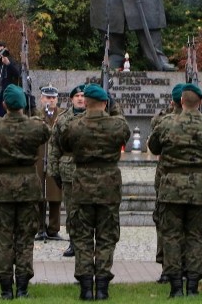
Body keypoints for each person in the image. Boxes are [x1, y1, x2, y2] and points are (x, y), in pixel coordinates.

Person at [148, 83, 202, 297]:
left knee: (171, 236)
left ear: (181, 101)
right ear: (200, 102)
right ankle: (192, 285)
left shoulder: (166, 123)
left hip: (171, 186)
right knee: (196, 236)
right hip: (199, 186)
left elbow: (153, 147)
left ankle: (175, 287)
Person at [59, 83, 131, 300]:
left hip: (82, 186)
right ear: (106, 103)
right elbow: (124, 132)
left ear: (86, 102)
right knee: (106, 236)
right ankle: (102, 286)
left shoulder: (74, 126)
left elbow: (65, 146)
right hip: (109, 186)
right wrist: (114, 109)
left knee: (81, 237)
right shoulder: (116, 125)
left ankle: (85, 287)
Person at [0, 84, 51, 299]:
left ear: (4, 105)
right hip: (28, 187)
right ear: (23, 104)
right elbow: (46, 131)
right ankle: (22, 288)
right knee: (25, 238)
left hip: (2, 186)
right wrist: (34, 110)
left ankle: (5, 290)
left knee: (3, 239)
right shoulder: (35, 126)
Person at [149, 83, 184, 283]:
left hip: (165, 178)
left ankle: (167, 269)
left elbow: (154, 147)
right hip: (192, 179)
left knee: (165, 225)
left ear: (172, 101)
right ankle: (188, 267)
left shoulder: (160, 120)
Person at [49, 84, 87, 258]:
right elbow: (54, 147)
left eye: (83, 95)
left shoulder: (95, 117)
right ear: (71, 99)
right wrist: (54, 171)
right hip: (69, 171)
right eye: (77, 95)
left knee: (87, 209)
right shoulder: (63, 119)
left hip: (88, 171)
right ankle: (73, 243)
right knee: (72, 210)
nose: (80, 98)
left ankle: (87, 243)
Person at [34, 85, 63, 241]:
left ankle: (53, 229)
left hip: (55, 158)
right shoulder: (36, 115)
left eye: (53, 98)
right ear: (41, 99)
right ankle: (39, 227)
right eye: (47, 97)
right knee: (39, 193)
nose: (50, 100)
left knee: (55, 194)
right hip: (39, 155)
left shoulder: (62, 115)